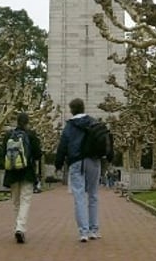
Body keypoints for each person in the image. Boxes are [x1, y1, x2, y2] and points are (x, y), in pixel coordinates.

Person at [54, 97, 101, 242]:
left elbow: (62, 147)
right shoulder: (94, 122)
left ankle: (83, 232)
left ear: (72, 110)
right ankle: (94, 230)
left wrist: (58, 164)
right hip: (93, 161)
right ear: (83, 108)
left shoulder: (69, 126)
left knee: (79, 196)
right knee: (93, 195)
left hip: (76, 162)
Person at [2, 112, 42, 244]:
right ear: (27, 122)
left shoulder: (8, 135)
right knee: (25, 200)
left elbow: (4, 153)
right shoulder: (31, 135)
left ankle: (17, 226)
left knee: (16, 202)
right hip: (27, 172)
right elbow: (37, 154)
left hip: (12, 172)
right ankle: (20, 228)